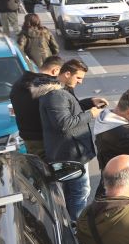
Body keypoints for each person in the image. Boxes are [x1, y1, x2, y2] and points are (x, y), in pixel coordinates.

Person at [40, 58, 107, 221]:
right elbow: (64, 123)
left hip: (71, 152)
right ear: (67, 73)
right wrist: (91, 114)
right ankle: (77, 224)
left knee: (73, 191)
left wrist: (88, 103)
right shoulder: (56, 95)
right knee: (79, 192)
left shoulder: (63, 90)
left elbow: (70, 110)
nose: (81, 82)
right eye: (78, 78)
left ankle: (72, 222)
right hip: (69, 155)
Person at [9, 55, 63, 158]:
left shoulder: (18, 84)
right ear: (55, 70)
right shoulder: (47, 88)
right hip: (44, 138)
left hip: (27, 136)